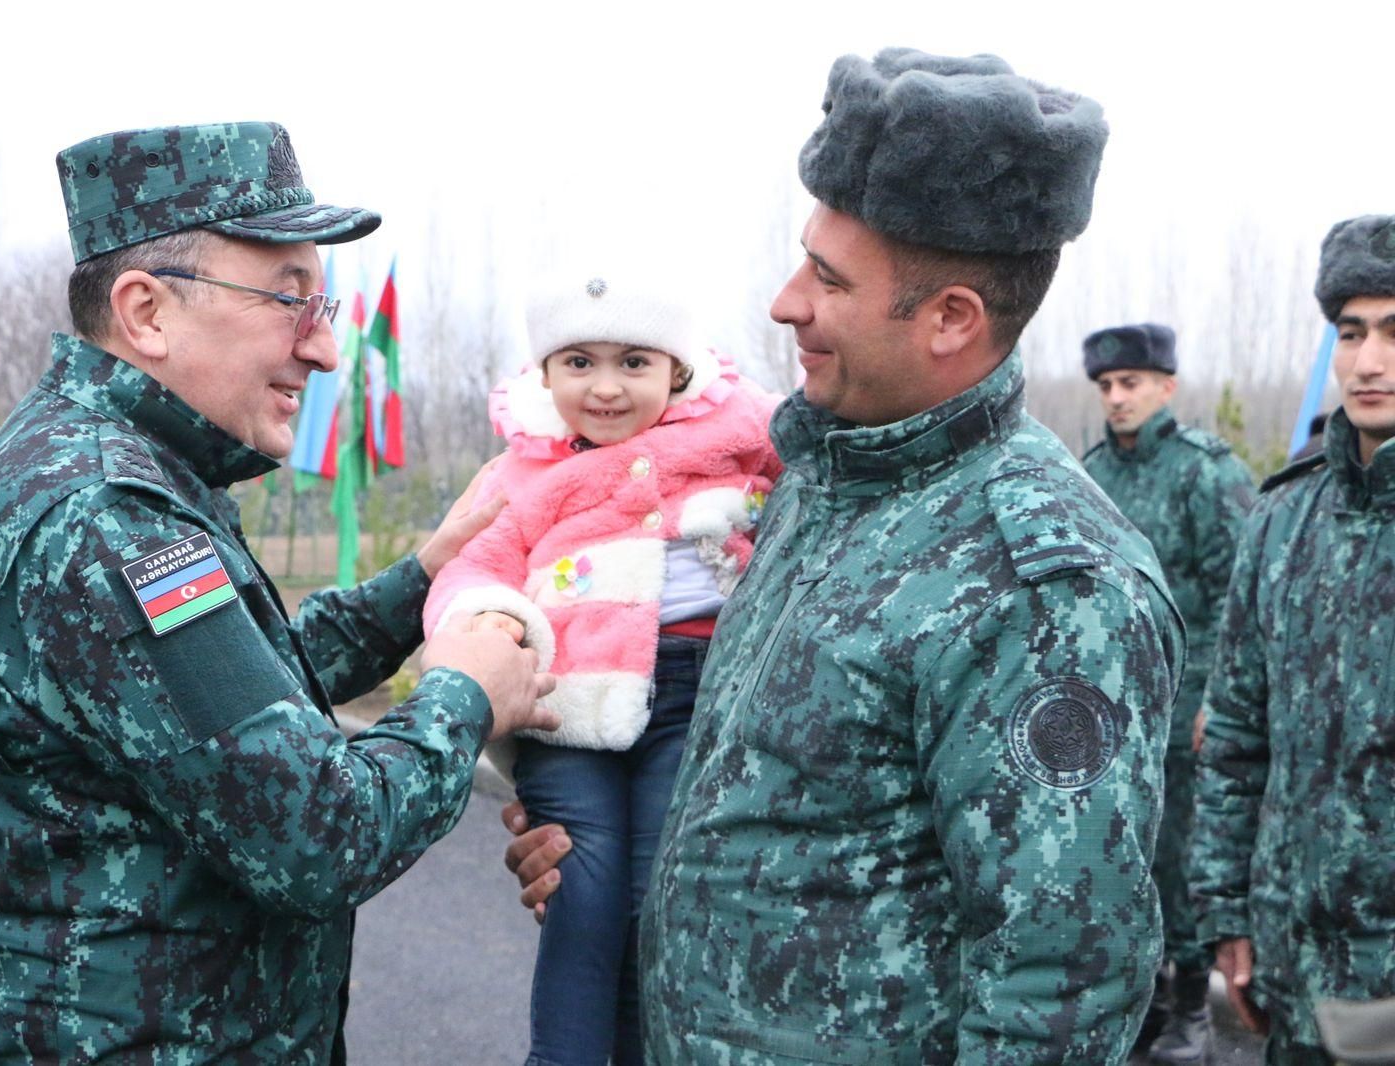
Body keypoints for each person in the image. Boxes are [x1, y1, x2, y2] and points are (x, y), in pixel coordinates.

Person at [508, 48, 1186, 1063]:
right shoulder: (823, 480)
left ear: (950, 318)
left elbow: (1055, 988)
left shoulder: (1043, 583)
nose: (785, 302)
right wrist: (609, 859)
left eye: (828, 279)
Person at [0, 121, 556, 1065]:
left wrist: (419, 582)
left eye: (321, 302)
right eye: (288, 299)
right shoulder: (108, 515)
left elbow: (210, 707)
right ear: (148, 313)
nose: (325, 349)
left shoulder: (89, 463)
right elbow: (318, 834)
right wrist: (464, 692)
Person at [425, 269, 780, 1065]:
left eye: (634, 362)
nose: (607, 388)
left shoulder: (739, 433)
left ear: (678, 371)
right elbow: (470, 567)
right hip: (567, 701)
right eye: (578, 362)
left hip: (691, 696)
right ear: (544, 374)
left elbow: (810, 474)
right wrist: (491, 619)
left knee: (656, 897)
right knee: (581, 889)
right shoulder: (521, 472)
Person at [1191, 213, 1395, 1066]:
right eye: (1351, 333)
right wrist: (1226, 914)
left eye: (1394, 333)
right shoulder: (1282, 517)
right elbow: (1236, 736)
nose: (1369, 361)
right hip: (1292, 958)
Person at [1080, 322, 1256, 1063]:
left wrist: (1219, 694)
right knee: (1122, 853)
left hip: (1189, 701)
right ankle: (1145, 997)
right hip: (1112, 703)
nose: (1117, 399)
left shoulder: (1205, 473)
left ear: (1165, 387)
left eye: (1130, 384)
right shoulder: (1091, 473)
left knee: (1182, 853)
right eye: (1107, 387)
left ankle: (1192, 1004)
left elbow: (1241, 595)